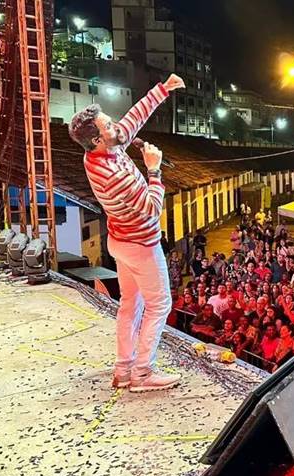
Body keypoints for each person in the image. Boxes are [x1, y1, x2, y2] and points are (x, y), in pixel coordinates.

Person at [69, 72, 185, 392]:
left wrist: (163, 89)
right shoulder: (111, 175)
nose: (116, 126)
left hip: (120, 241)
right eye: (109, 126)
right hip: (141, 245)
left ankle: (123, 370)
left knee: (130, 304)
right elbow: (151, 209)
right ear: (97, 139)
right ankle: (143, 373)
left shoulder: (104, 149)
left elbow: (134, 118)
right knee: (159, 305)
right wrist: (154, 168)